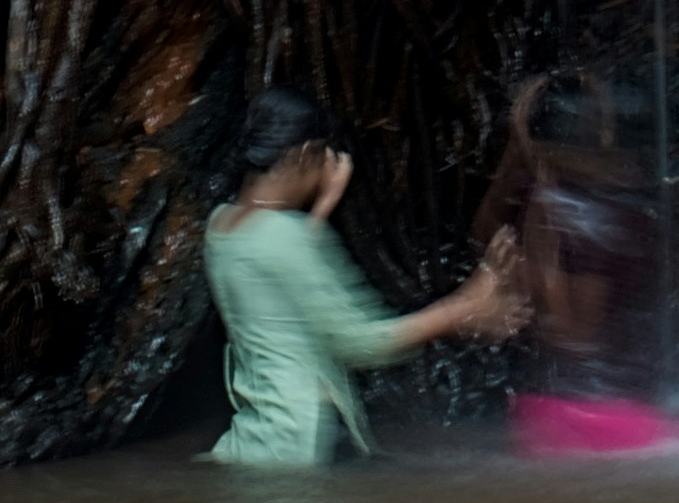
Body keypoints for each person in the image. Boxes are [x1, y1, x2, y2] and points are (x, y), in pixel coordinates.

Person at [202, 87, 521, 468]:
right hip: (304, 443)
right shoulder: (287, 239)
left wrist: (321, 207)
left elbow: (280, 285)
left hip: (258, 440)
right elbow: (361, 343)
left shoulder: (220, 227)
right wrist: (462, 308)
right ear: (306, 155)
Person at [500, 70, 679, 458]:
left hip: (564, 412)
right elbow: (572, 334)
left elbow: (569, 334)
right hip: (598, 416)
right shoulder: (598, 208)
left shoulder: (560, 202)